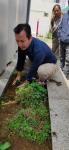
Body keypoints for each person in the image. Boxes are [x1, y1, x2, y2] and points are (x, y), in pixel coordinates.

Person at [58, 3, 69, 79]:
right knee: (61, 59)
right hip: (62, 41)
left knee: (67, 62)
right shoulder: (65, 15)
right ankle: (60, 75)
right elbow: (60, 26)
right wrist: (59, 36)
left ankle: (64, 79)